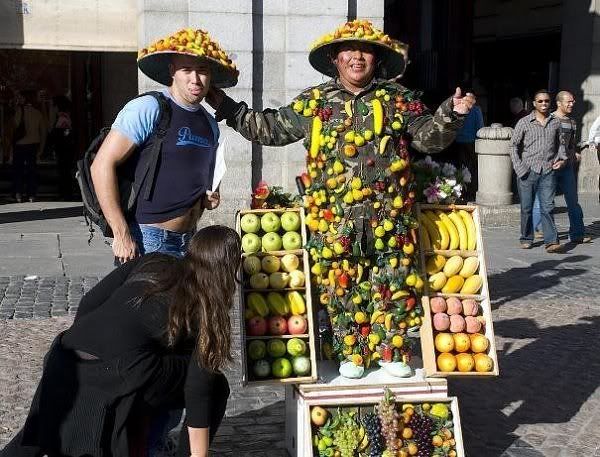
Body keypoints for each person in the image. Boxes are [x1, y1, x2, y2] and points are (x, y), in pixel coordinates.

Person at [207, 19, 475, 368]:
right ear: (335, 57)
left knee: (392, 283)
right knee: (340, 288)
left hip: (390, 221)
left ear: (377, 59)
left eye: (366, 50)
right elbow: (269, 129)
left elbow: (428, 139)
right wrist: (226, 106)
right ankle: (350, 353)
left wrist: (450, 115)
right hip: (334, 224)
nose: (357, 57)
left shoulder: (396, 100)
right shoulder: (316, 102)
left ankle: (391, 351)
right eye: (349, 50)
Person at [0, 225, 240, 457]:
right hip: (117, 373)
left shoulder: (154, 260)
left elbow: (88, 303)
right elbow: (200, 388)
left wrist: (93, 346)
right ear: (228, 269)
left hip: (65, 354)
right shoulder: (207, 309)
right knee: (215, 384)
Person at [91, 27, 238, 263]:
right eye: (186, 70)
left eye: (202, 71)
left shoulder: (210, 124)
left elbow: (200, 178)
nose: (195, 79)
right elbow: (101, 166)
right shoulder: (149, 108)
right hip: (147, 239)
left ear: (210, 76)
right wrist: (121, 234)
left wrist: (209, 197)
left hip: (190, 241)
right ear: (172, 72)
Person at [509, 89, 567, 253]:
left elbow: (561, 143)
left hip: (548, 170)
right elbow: (513, 145)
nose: (543, 104)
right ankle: (526, 238)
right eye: (540, 101)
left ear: (550, 103)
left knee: (548, 206)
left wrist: (561, 159)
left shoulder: (555, 122)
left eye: (546, 101)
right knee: (526, 208)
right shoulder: (524, 122)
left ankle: (551, 241)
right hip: (527, 171)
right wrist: (519, 168)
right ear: (534, 103)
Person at [531, 91, 590, 244]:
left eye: (573, 101)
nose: (572, 104)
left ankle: (577, 234)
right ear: (559, 103)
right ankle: (537, 230)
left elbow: (570, 145)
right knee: (543, 200)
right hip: (548, 167)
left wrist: (572, 154)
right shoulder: (548, 120)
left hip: (566, 168)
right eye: (569, 101)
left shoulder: (572, 122)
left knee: (573, 201)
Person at [12, 90, 46, 203]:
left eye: (21, 97)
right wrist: (41, 148)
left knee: (19, 170)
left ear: (25, 99)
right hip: (34, 144)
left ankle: (18, 193)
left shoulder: (19, 111)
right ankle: (31, 194)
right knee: (32, 170)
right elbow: (43, 131)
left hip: (20, 144)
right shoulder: (38, 113)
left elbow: (15, 125)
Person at [453, 98, 484, 200]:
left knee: (461, 167)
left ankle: (461, 192)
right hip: (471, 141)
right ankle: (472, 191)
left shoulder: (458, 108)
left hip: (459, 140)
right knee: (473, 168)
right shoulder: (476, 109)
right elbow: (480, 126)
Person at [50, 95, 76, 200]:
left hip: (64, 149)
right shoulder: (67, 116)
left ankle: (65, 194)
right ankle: (66, 193)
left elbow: (61, 134)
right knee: (65, 171)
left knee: (64, 171)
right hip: (67, 149)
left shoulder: (62, 118)